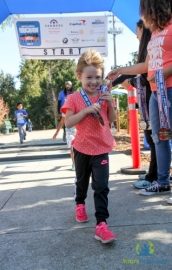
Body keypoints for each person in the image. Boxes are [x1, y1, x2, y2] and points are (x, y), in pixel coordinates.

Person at [107, 0, 172, 197]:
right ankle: (162, 182)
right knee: (160, 137)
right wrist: (120, 71)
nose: (142, 16)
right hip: (156, 93)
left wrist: (164, 73)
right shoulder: (155, 33)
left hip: (169, 89)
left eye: (144, 11)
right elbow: (146, 65)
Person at [62, 49, 117, 244]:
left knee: (101, 186)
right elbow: (68, 123)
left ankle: (101, 224)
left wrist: (112, 105)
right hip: (82, 148)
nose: (94, 82)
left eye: (98, 77)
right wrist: (85, 110)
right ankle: (80, 204)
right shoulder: (73, 98)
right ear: (79, 76)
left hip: (101, 147)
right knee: (82, 181)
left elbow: (110, 120)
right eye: (89, 77)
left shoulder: (104, 94)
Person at [112, 19, 158, 189]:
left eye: (137, 31)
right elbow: (142, 72)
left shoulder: (151, 45)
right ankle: (155, 175)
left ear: (143, 29)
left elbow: (144, 72)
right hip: (148, 101)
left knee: (156, 141)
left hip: (153, 98)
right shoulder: (147, 47)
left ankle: (155, 177)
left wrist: (124, 79)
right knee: (154, 140)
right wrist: (117, 79)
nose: (136, 35)